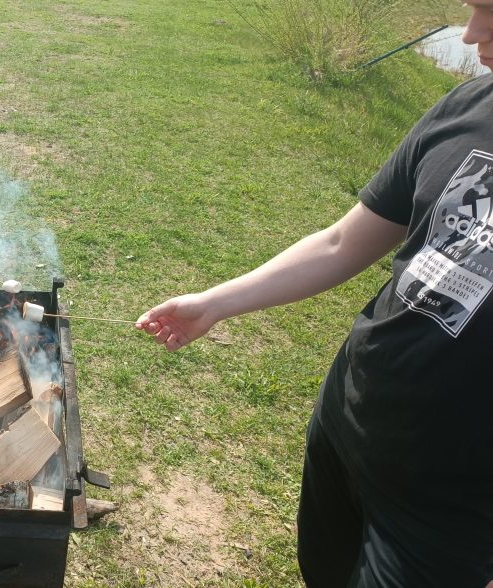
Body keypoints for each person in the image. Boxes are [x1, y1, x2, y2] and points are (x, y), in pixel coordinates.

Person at [137, 5, 493, 586]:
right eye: (475, 9)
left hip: (452, 503)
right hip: (350, 418)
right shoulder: (467, 108)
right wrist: (214, 303)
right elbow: (341, 243)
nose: (472, 33)